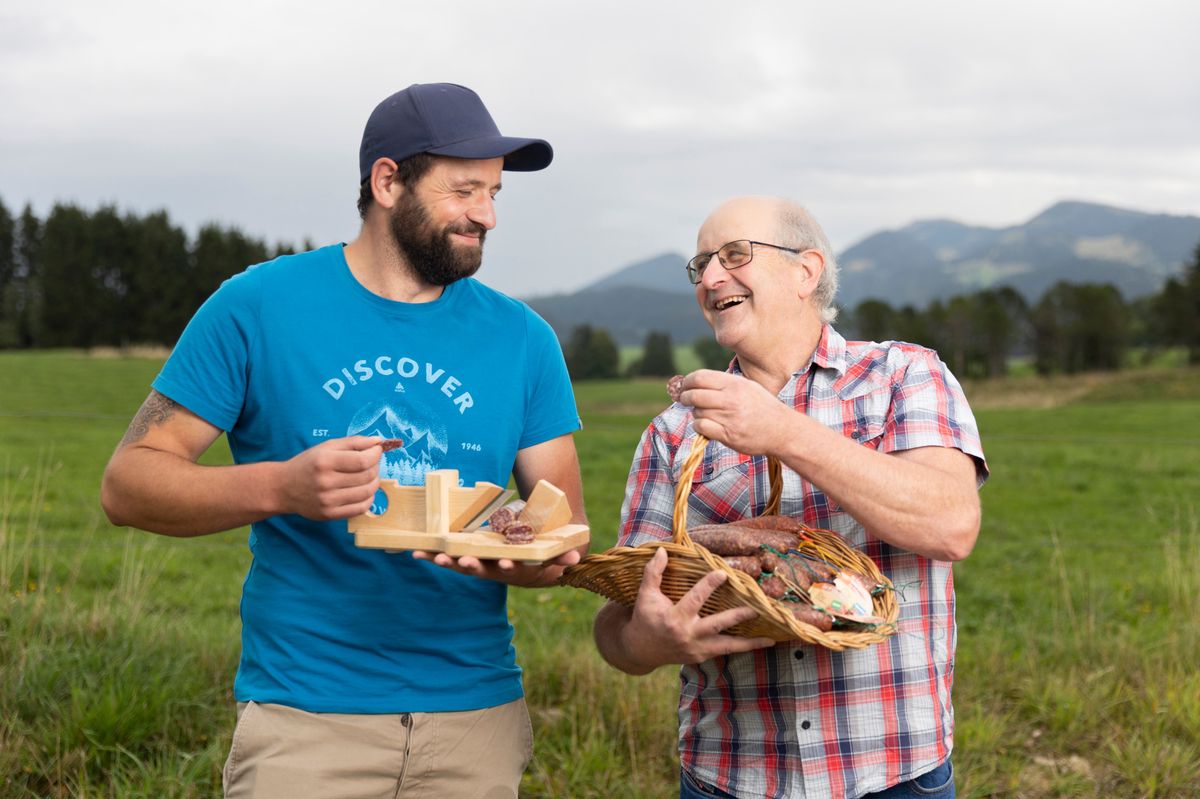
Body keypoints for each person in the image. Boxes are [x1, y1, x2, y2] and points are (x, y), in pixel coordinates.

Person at [101, 83, 586, 798]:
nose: (485, 213)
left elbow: (563, 527)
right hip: (305, 719)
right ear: (389, 181)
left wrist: (523, 554)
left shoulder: (524, 339)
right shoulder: (256, 306)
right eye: (463, 190)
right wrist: (281, 487)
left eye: (494, 193)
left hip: (476, 719)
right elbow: (128, 483)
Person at [592, 196, 987, 799]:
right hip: (729, 780)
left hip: (894, 777)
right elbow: (616, 625)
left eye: (734, 255)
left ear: (806, 271)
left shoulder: (903, 375)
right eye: (701, 265)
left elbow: (950, 525)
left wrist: (780, 429)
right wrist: (648, 640)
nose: (712, 277)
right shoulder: (674, 432)